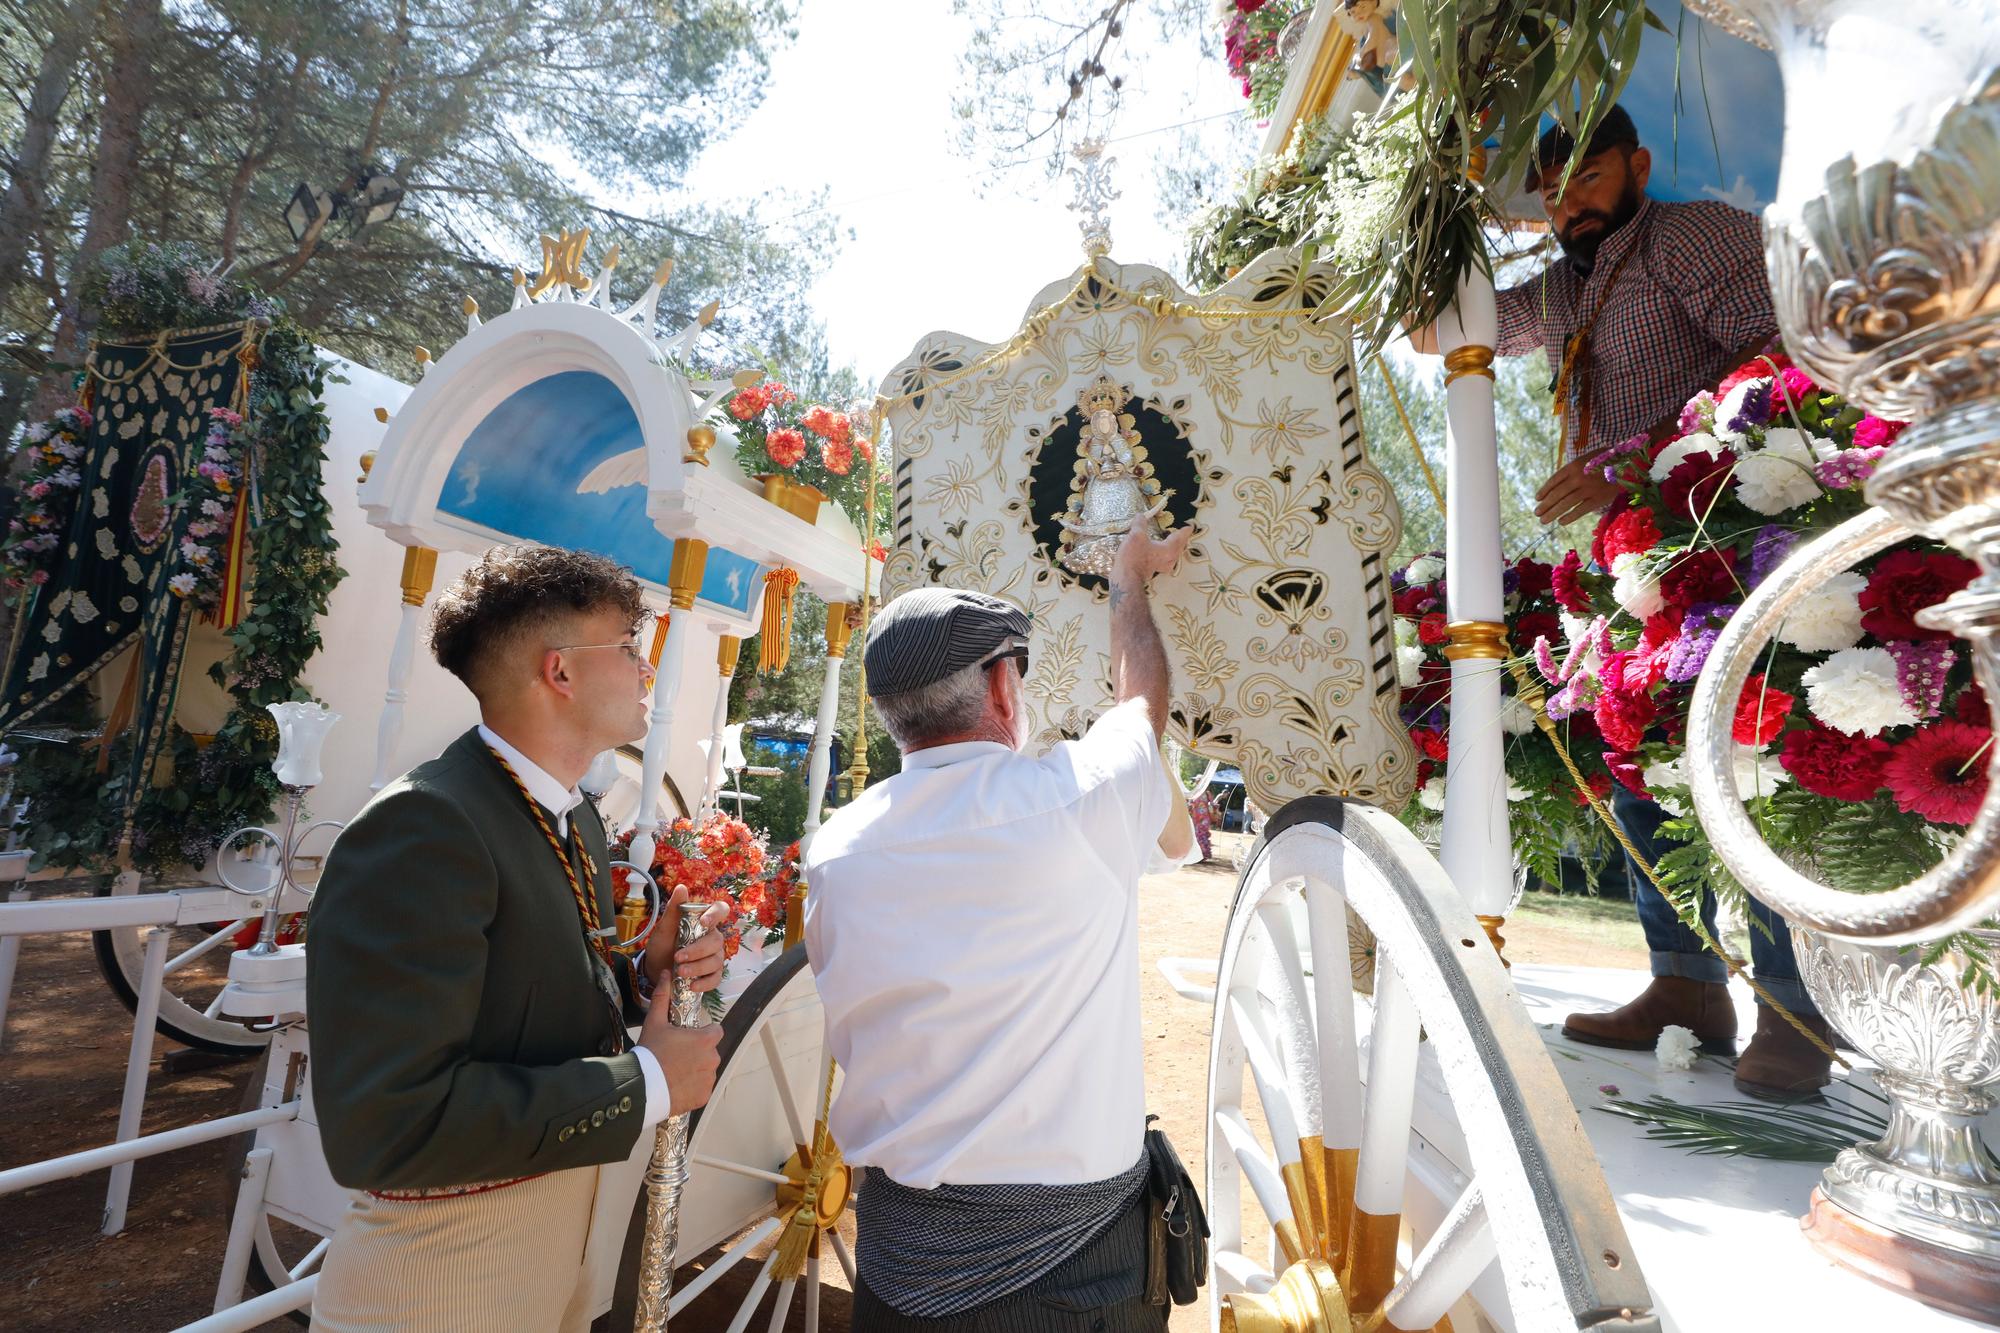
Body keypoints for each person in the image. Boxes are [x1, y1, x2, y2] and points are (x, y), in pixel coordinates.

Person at [1414, 105, 1833, 1097]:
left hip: (1732, 530)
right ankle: (1685, 986)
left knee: (1746, 752)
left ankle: (1791, 1003)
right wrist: (1427, 207)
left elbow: (1778, 362)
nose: (1570, 205)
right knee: (1627, 753)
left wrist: (1631, 465)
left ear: (1637, 163)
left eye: (1590, 177)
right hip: (1633, 556)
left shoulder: (1690, 235)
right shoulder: (1565, 285)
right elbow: (1440, 331)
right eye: (1552, 192)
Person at [305, 544, 731, 1332]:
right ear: (560, 672)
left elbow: (523, 990)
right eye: (631, 648)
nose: (647, 669)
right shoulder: (424, 824)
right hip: (444, 1268)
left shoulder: (571, 813)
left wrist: (643, 977)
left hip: (552, 1239)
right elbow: (389, 1123)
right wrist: (644, 1080)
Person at [804, 523, 1192, 1330]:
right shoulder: (1079, 797)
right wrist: (1128, 581)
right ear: (1004, 689)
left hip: (900, 1260)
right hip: (1078, 1266)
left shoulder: (834, 850)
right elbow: (1142, 704)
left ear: (890, 715)